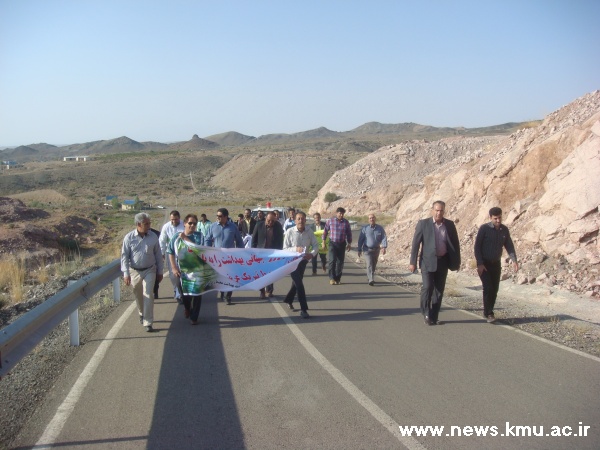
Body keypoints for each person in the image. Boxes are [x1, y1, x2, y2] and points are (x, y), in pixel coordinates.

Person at [409, 201, 461, 326]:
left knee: (438, 290)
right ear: (432, 210)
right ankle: (426, 313)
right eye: (437, 210)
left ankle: (434, 316)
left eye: (441, 210)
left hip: (443, 261)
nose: (439, 213)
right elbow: (416, 244)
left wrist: (457, 261)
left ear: (444, 211)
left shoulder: (449, 225)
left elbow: (455, 244)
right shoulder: (423, 224)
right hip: (427, 261)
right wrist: (412, 262)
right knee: (427, 287)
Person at [474, 207, 519, 323]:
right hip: (484, 264)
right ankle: (489, 313)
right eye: (495, 218)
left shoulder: (504, 230)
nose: (498, 220)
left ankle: (488, 311)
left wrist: (514, 260)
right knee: (488, 287)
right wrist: (479, 263)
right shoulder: (484, 229)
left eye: (499, 218)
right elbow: (477, 247)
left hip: (496, 264)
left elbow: (509, 245)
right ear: (490, 218)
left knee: (495, 289)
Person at [121, 212, 164, 332]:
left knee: (148, 294)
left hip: (150, 270)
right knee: (138, 294)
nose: (149, 226)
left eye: (149, 223)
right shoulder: (129, 238)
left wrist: (160, 271)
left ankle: (148, 322)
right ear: (138, 224)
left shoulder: (153, 237)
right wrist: (126, 273)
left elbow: (158, 255)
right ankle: (141, 313)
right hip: (134, 271)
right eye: (146, 224)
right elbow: (124, 256)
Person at [167, 214, 206, 325]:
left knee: (197, 294)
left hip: (197, 270)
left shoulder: (199, 236)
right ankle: (187, 308)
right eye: (190, 223)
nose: (192, 225)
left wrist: (186, 239)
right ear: (184, 224)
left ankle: (194, 317)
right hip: (182, 271)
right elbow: (170, 252)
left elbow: (199, 250)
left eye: (194, 223)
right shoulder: (176, 237)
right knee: (185, 294)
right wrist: (174, 268)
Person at [205, 207, 245, 305]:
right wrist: (207, 251)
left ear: (226, 217)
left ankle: (228, 296)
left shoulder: (233, 227)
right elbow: (207, 239)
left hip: (230, 258)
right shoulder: (213, 227)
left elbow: (239, 241)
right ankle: (223, 292)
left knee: (230, 277)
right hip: (217, 258)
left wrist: (241, 253)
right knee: (220, 277)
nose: (218, 217)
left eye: (220, 216)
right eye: (217, 216)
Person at [283, 211, 318, 318]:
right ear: (295, 221)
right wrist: (295, 249)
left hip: (303, 261)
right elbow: (284, 249)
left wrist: (311, 254)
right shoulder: (289, 232)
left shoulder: (309, 231)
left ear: (305, 220)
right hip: (292, 262)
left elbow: (316, 245)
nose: (300, 221)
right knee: (299, 284)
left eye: (302, 219)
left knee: (296, 283)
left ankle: (288, 299)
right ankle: (304, 309)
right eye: (298, 219)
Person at [252, 211, 284, 298]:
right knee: (261, 273)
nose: (271, 222)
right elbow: (254, 240)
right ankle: (262, 291)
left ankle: (269, 290)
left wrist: (279, 253)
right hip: (260, 254)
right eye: (269, 220)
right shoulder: (259, 225)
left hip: (272, 254)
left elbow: (280, 241)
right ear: (266, 218)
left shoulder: (278, 226)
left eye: (273, 221)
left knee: (271, 273)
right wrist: (253, 252)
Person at [159, 210, 185, 303]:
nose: (174, 221)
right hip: (171, 253)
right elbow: (162, 241)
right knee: (173, 274)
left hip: (183, 252)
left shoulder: (184, 225)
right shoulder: (166, 227)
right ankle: (177, 292)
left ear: (179, 218)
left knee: (183, 273)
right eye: (172, 219)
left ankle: (183, 291)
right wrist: (162, 253)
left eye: (175, 219)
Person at [322, 207, 352, 285]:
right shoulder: (330, 221)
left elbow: (349, 233)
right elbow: (325, 231)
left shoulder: (346, 222)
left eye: (342, 214)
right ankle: (332, 278)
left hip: (342, 244)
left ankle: (338, 278)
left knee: (340, 262)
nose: (341, 215)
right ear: (336, 213)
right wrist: (323, 242)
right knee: (332, 261)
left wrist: (349, 243)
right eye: (340, 213)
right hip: (332, 243)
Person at [357, 214, 388, 286]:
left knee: (373, 264)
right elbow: (361, 239)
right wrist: (359, 249)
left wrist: (384, 247)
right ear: (368, 220)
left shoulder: (380, 228)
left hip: (376, 250)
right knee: (369, 264)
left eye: (373, 218)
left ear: (375, 219)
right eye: (370, 218)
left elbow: (384, 237)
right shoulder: (365, 228)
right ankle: (371, 279)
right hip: (367, 250)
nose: (371, 219)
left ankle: (370, 276)